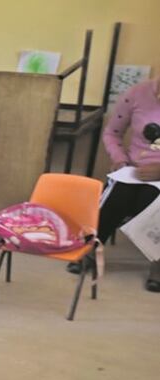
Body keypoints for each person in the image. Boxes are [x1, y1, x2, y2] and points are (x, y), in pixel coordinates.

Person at [75, 76, 160, 291]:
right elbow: (112, 133)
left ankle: (157, 262)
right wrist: (120, 159)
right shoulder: (137, 93)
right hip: (133, 170)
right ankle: (92, 248)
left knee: (150, 201)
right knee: (117, 195)